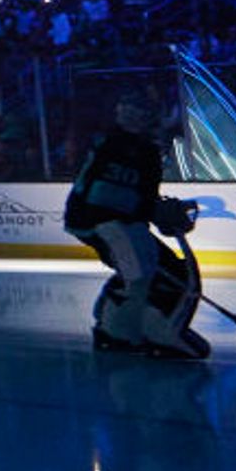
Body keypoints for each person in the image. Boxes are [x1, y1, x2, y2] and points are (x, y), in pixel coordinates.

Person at [67, 93, 205, 358]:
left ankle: (136, 324)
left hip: (119, 222)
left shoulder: (144, 150)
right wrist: (148, 209)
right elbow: (104, 197)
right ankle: (113, 331)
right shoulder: (115, 145)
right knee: (140, 275)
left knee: (167, 269)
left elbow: (141, 195)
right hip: (98, 221)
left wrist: (151, 209)